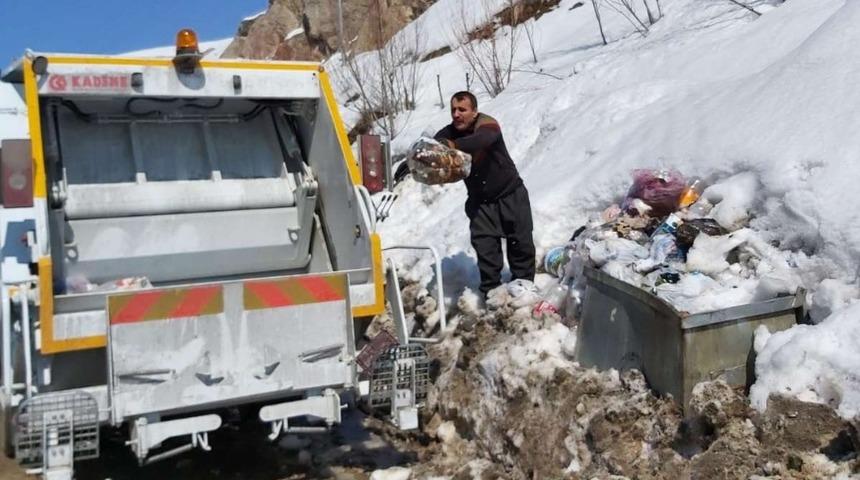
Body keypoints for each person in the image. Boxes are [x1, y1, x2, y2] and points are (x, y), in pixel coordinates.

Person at [434, 91, 536, 297]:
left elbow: (481, 140)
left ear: (474, 112)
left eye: (462, 109)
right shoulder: (449, 132)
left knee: (520, 245)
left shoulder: (488, 125)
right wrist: (413, 160)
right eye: (453, 110)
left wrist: (452, 146)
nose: (456, 114)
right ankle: (491, 295)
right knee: (486, 251)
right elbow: (433, 145)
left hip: (510, 194)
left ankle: (524, 292)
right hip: (480, 202)